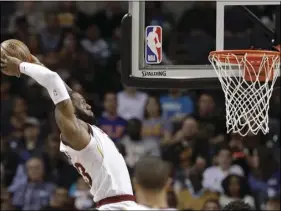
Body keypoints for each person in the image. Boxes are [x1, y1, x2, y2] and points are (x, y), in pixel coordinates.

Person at [0, 53, 147, 210]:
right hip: (115, 205)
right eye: (83, 103)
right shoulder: (74, 131)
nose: (89, 105)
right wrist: (20, 66)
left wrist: (35, 63)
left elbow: (66, 90)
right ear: (71, 110)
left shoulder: (85, 129)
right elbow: (53, 80)